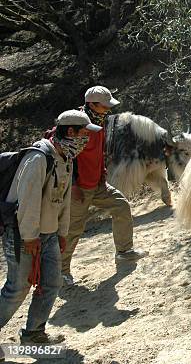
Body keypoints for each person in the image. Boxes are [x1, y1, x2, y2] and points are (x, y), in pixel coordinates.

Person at [0, 110, 101, 345]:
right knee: (17, 289)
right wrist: (29, 237)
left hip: (49, 235)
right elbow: (28, 202)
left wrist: (62, 233)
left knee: (51, 283)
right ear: (70, 131)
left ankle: (34, 333)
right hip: (23, 235)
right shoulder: (38, 159)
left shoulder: (65, 158)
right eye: (83, 133)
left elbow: (63, 201)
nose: (86, 138)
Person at [61, 86, 147, 286]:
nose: (108, 109)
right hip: (78, 187)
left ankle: (124, 252)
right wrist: (72, 184)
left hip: (98, 183)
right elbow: (65, 155)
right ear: (92, 104)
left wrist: (102, 174)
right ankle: (61, 271)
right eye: (104, 105)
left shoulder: (98, 121)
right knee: (73, 229)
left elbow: (98, 152)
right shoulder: (74, 123)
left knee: (121, 206)